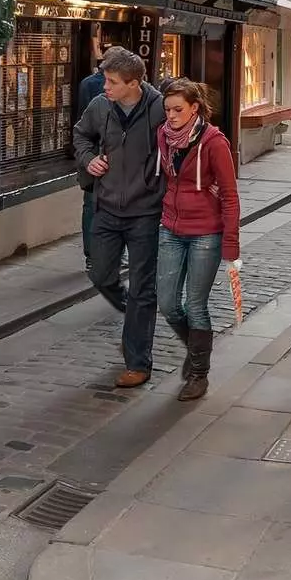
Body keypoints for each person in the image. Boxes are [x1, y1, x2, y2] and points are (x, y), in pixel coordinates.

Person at [73, 46, 167, 387]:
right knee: (100, 274)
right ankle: (134, 316)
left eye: (112, 82)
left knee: (144, 289)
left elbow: (181, 145)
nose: (105, 87)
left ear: (134, 83)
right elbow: (81, 134)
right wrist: (88, 160)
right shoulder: (100, 107)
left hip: (145, 211)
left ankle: (138, 363)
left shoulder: (159, 109)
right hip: (107, 207)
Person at [155, 79, 239, 402]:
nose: (172, 116)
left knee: (195, 305)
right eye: (167, 110)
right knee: (167, 303)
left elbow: (230, 196)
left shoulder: (214, 143)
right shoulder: (163, 137)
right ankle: (196, 347)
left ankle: (199, 374)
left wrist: (230, 243)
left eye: (178, 109)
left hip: (206, 233)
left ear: (195, 108)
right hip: (171, 228)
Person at [75, 37, 108, 265]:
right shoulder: (98, 93)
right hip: (98, 158)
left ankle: (93, 255)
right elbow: (83, 129)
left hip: (93, 157)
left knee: (92, 207)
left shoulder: (87, 83)